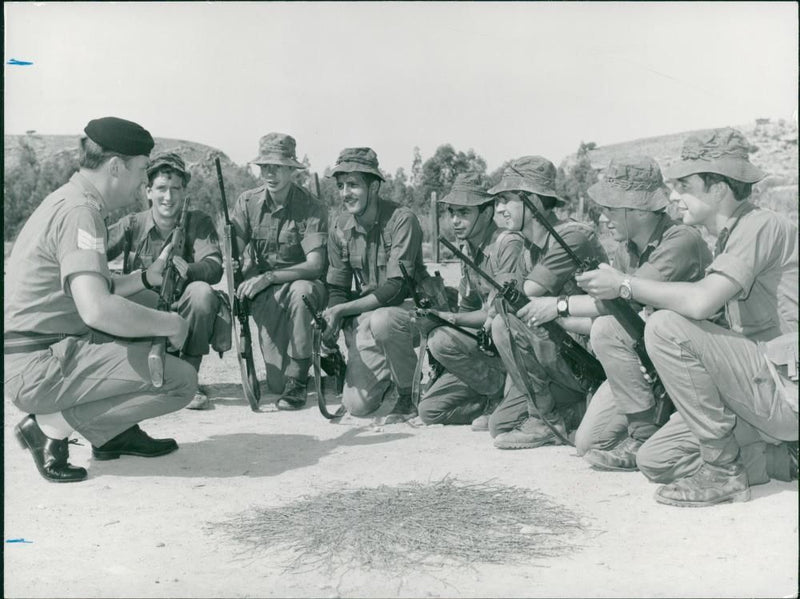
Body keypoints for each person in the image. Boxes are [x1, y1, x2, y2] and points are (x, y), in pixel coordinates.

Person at [576, 127, 798, 506]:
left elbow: (700, 304)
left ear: (718, 187)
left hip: (783, 389)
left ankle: (724, 471)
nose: (675, 196)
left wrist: (624, 285)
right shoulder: (729, 236)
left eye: (685, 185)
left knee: (666, 328)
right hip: (754, 385)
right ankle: (783, 457)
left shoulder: (762, 225)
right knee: (655, 460)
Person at [4, 117, 196, 483]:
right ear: (115, 166)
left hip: (35, 353)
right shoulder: (81, 213)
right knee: (181, 381)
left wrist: (144, 277)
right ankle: (50, 427)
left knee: (147, 301)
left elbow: (89, 285)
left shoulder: (68, 199)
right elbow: (96, 308)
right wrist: (172, 323)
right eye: (141, 170)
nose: (143, 182)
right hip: (37, 366)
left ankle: (112, 434)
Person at [525, 156, 712, 469]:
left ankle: (645, 434)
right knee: (589, 444)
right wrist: (555, 320)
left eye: (611, 209)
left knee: (607, 329)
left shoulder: (680, 241)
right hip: (645, 362)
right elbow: (615, 315)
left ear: (638, 210)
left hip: (688, 364)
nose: (603, 218)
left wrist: (558, 304)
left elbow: (623, 303)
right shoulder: (626, 251)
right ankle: (660, 421)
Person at [486, 155, 609, 449]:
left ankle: (545, 420)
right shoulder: (529, 248)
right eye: (498, 201)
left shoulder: (571, 236)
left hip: (588, 357)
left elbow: (527, 292)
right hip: (557, 352)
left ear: (534, 203)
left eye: (507, 200)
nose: (499, 209)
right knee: (498, 425)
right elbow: (504, 298)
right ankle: (571, 413)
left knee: (505, 324)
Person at [106, 151, 227, 410]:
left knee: (202, 294)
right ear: (148, 191)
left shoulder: (199, 222)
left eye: (175, 189)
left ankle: (188, 378)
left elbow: (215, 266)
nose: (168, 197)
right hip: (142, 310)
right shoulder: (131, 224)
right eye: (161, 188)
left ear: (184, 192)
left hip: (183, 308)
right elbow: (95, 249)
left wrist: (190, 270)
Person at [322, 147, 428, 424]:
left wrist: (343, 310)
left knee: (383, 320)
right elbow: (337, 287)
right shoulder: (339, 227)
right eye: (341, 185)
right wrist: (332, 318)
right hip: (370, 314)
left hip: (412, 311)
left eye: (354, 185)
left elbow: (396, 287)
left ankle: (408, 393)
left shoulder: (402, 220)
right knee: (357, 406)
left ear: (374, 186)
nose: (346, 193)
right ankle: (387, 379)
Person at [416, 172, 526, 428]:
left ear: (487, 213)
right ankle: (490, 395)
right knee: (429, 412)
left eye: (464, 213)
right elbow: (467, 308)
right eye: (452, 212)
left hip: (512, 348)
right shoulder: (467, 251)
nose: (455, 220)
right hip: (488, 350)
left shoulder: (507, 244)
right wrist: (438, 314)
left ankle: (501, 393)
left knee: (442, 339)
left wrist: (450, 321)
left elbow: (501, 310)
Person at [231, 133, 328, 409]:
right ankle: (311, 362)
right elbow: (234, 253)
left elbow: (314, 265)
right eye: (265, 167)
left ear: (291, 169)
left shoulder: (311, 206)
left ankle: (298, 381)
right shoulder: (247, 203)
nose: (270, 174)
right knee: (275, 384)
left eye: (277, 167)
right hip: (266, 294)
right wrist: (236, 267)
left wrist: (269, 277)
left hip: (303, 284)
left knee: (302, 293)